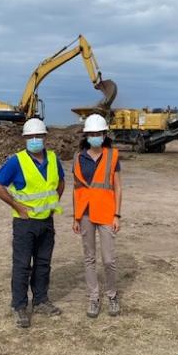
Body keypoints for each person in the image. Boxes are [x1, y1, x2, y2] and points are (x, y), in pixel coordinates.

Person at [0, 118, 65, 328]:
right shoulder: (17, 161)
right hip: (25, 224)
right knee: (23, 266)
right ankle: (19, 306)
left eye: (39, 136)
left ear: (44, 137)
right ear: (25, 139)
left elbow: (60, 182)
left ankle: (41, 300)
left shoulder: (53, 158)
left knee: (43, 264)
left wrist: (54, 202)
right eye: (31, 137)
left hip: (46, 222)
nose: (35, 140)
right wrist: (17, 206)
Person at [71, 113, 122, 318]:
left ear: (104, 134)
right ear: (86, 135)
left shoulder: (112, 156)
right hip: (85, 214)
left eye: (98, 133)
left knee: (109, 259)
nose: (95, 136)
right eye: (91, 133)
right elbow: (76, 189)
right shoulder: (78, 157)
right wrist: (75, 217)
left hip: (107, 212)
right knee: (89, 258)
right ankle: (93, 297)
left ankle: (112, 294)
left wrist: (117, 214)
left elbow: (118, 187)